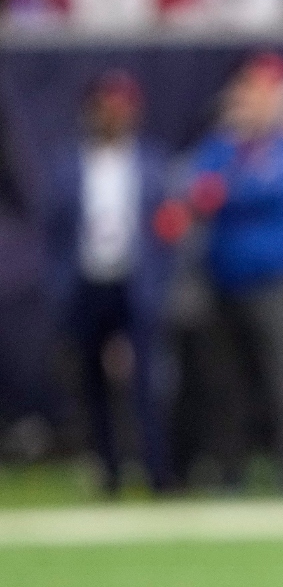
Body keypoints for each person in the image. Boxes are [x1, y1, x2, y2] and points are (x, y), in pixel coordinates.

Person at [179, 52, 283, 492]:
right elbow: (194, 190)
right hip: (225, 283)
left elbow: (277, 190)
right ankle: (230, 473)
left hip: (276, 285)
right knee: (226, 386)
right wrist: (229, 174)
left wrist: (226, 190)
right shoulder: (223, 145)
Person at [44, 69, 176, 494]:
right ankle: (109, 473)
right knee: (90, 382)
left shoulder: (151, 164)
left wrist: (160, 281)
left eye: (122, 107)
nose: (114, 115)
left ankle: (157, 472)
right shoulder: (69, 166)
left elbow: (167, 232)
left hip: (135, 283)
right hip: (87, 283)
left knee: (147, 383)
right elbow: (55, 233)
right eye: (107, 106)